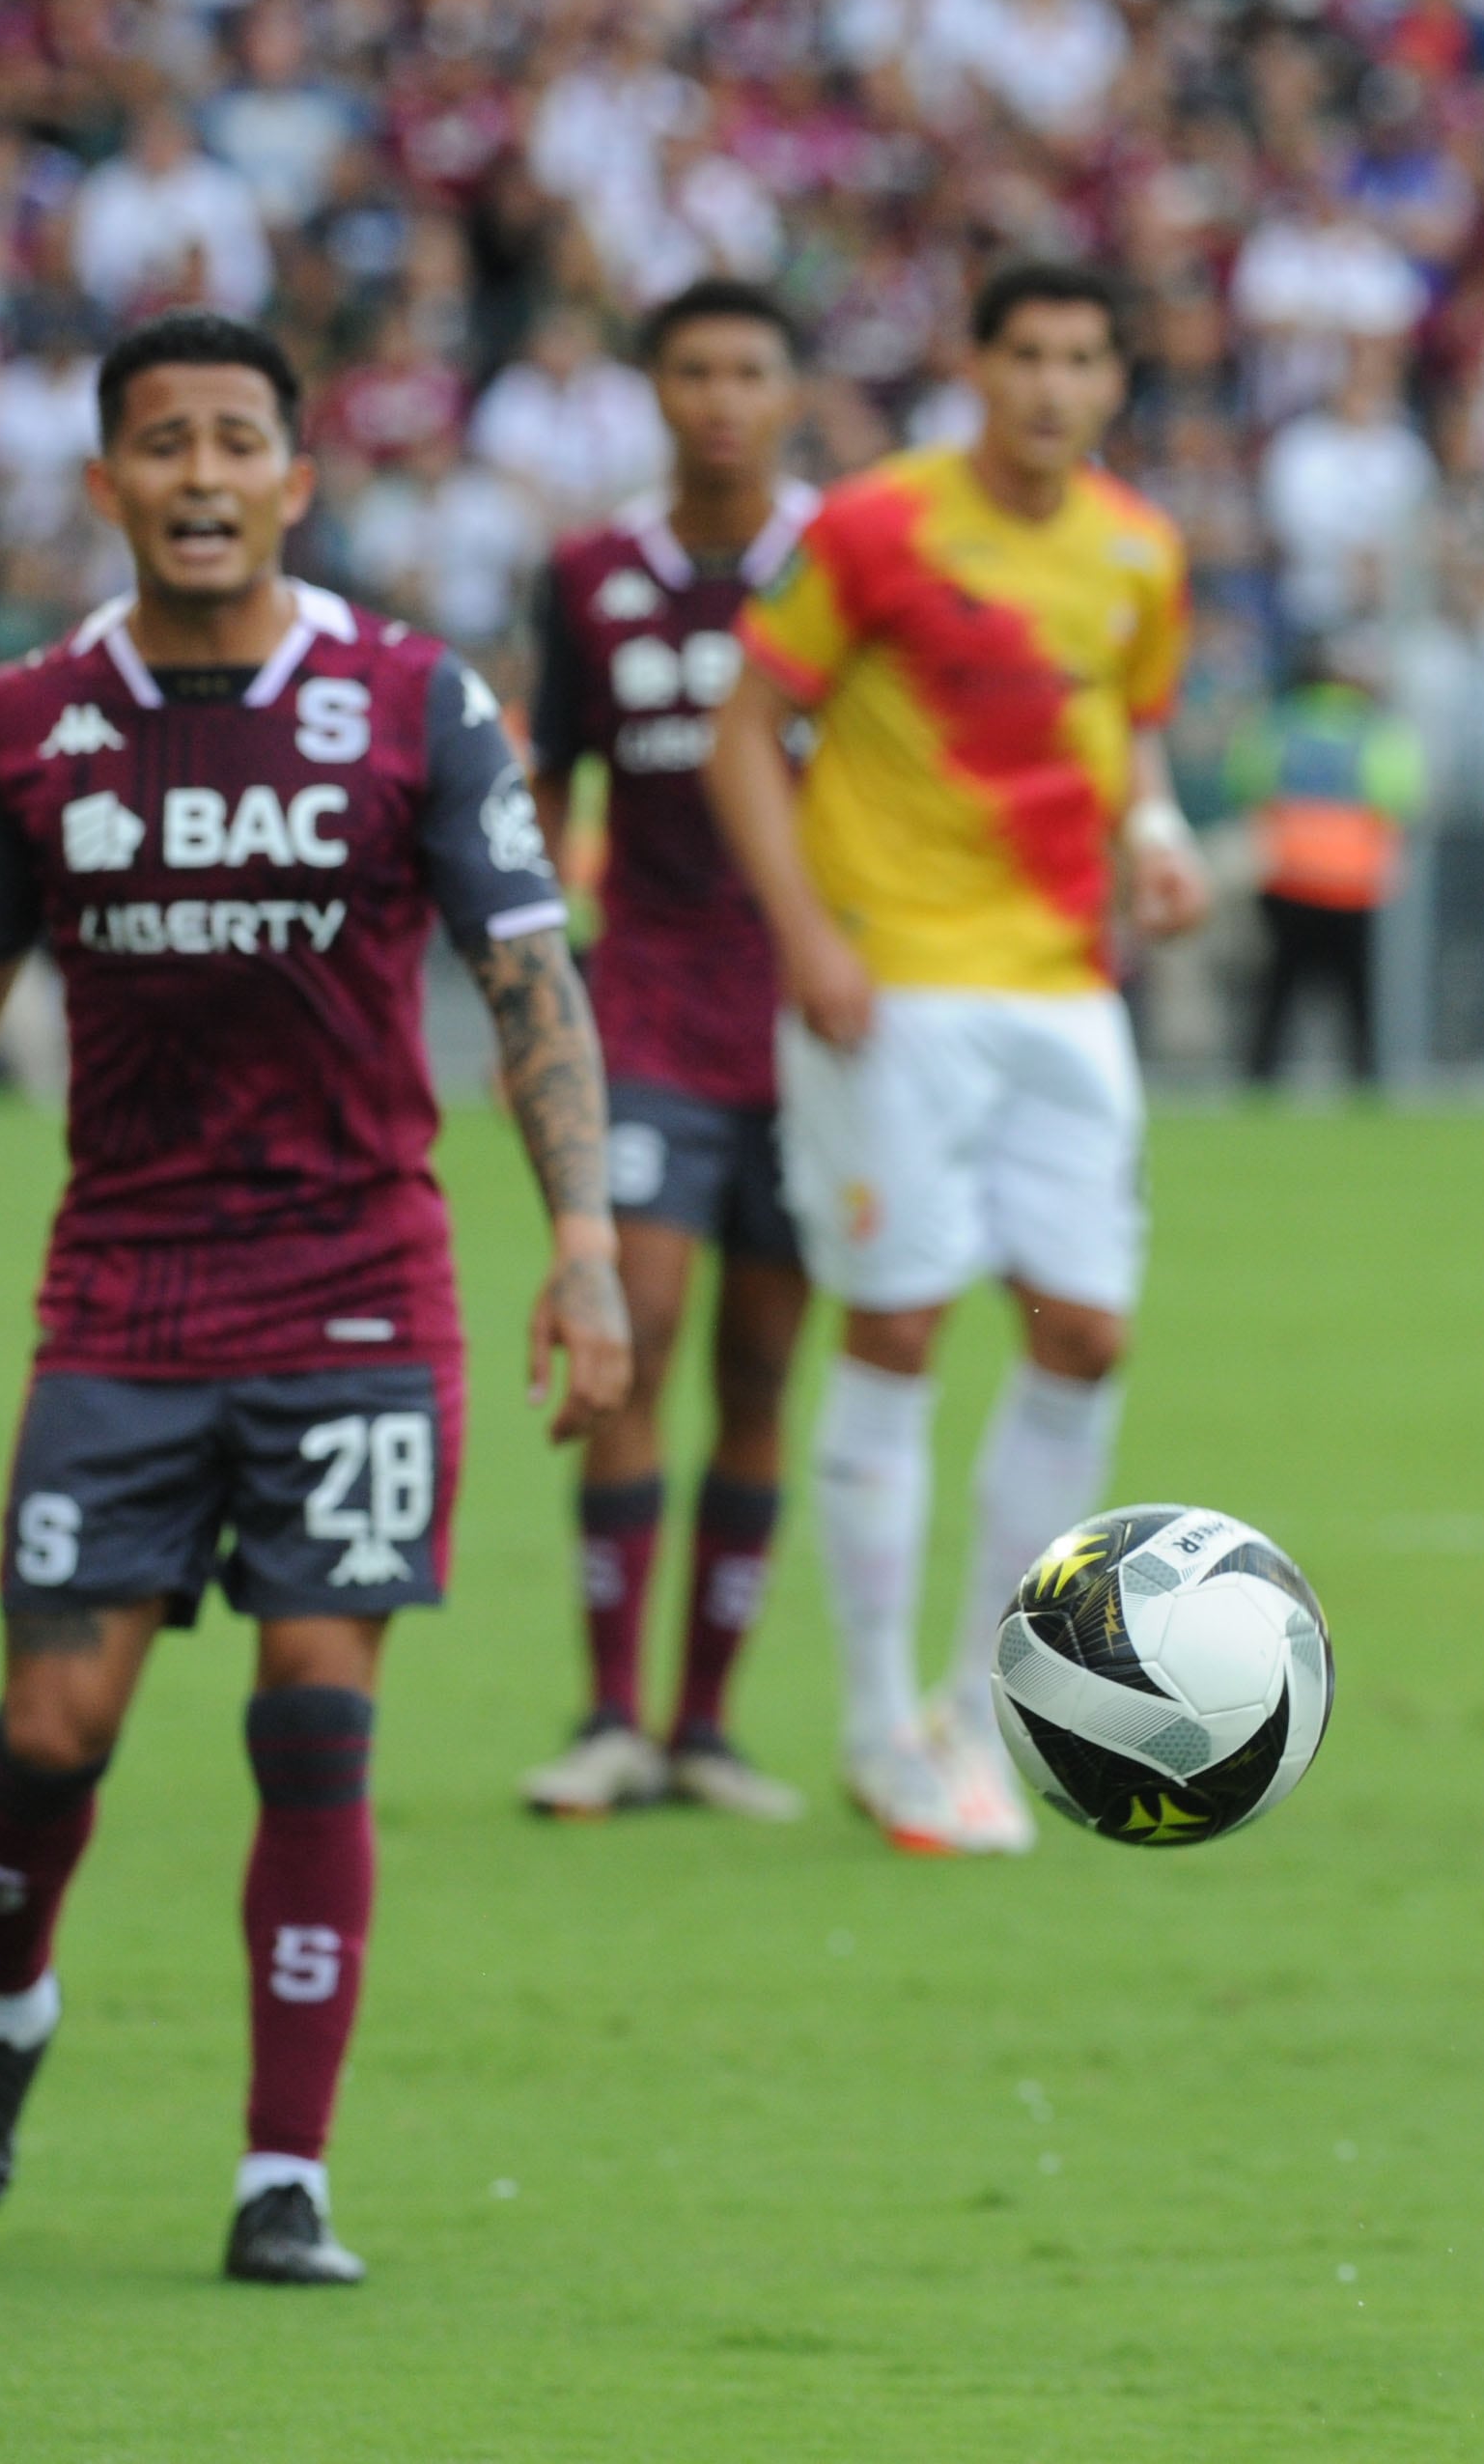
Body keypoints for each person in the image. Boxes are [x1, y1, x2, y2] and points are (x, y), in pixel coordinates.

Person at [0, 311, 632, 2282]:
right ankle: (1, 2014)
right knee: (54, 1724)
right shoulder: (22, 723)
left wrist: (584, 1243)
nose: (197, 476)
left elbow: (527, 986)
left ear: (293, 480)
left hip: (355, 1288)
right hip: (122, 1297)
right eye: (158, 444)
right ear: (103, 488)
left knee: (315, 1710)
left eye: (234, 440)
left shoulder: (416, 700)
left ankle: (284, 2177)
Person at [709, 258, 1207, 1857]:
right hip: (897, 982)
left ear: (1113, 382)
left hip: (1065, 984)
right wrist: (808, 938)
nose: (1054, 385)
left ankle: (982, 1698)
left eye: (1082, 357)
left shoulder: (1140, 550)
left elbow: (1127, 733)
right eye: (1027, 355)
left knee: (1084, 1332)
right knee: (901, 1320)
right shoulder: (873, 525)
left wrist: (1160, 829)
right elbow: (743, 728)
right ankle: (876, 1722)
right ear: (975, 367)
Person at [518, 280, 825, 1820]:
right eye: (693, 370)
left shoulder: (846, 566)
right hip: (642, 1005)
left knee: (761, 1365)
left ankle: (705, 1728)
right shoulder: (586, 571)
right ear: (653, 392)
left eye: (748, 372)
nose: (719, 397)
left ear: (790, 394)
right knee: (630, 1322)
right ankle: (606, 1715)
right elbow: (546, 778)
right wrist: (549, 943)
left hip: (817, 1021)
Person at [1227, 642, 1423, 1094]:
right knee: (1357, 993)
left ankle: (1261, 1075)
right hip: (1354, 880)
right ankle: (1365, 1076)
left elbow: (1244, 782)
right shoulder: (1375, 729)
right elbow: (1401, 794)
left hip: (1288, 874)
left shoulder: (1277, 724)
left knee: (1279, 987)